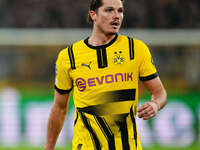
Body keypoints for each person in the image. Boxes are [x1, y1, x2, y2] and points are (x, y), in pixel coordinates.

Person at [44, 0, 167, 150]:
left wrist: (155, 104)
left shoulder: (136, 50)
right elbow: (59, 108)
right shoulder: (69, 57)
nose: (116, 16)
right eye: (109, 10)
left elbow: (160, 93)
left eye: (120, 11)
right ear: (93, 15)